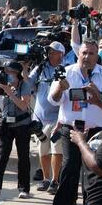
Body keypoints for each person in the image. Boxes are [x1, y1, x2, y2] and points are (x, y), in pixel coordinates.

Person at [48, 39, 102, 205]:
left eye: (91, 54)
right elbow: (53, 100)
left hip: (98, 130)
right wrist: (59, 89)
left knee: (93, 171)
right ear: (79, 54)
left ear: (97, 56)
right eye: (84, 53)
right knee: (69, 167)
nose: (87, 57)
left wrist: (98, 94)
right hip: (72, 128)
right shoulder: (67, 73)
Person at [0, 61, 32, 199]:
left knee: (23, 156)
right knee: (1, 156)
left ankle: (24, 188)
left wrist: (10, 93)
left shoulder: (24, 85)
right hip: (7, 125)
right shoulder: (3, 85)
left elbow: (24, 106)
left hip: (22, 125)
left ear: (17, 73)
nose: (7, 75)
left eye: (9, 72)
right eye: (5, 72)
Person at [28, 42, 65, 194]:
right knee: (43, 151)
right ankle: (46, 178)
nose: (50, 54)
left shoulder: (65, 68)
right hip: (40, 118)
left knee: (57, 151)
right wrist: (25, 67)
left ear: (61, 54)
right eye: (49, 51)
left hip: (57, 118)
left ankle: (55, 181)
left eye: (54, 52)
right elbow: (28, 83)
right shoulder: (40, 68)